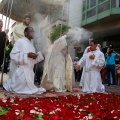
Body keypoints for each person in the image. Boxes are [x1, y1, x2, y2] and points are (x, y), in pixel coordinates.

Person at [3, 27, 46, 94]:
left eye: (33, 31)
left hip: (30, 74)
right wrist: (27, 55)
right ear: (25, 33)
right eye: (31, 31)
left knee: (33, 90)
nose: (33, 33)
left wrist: (38, 56)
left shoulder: (31, 45)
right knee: (19, 90)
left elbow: (31, 62)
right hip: (22, 72)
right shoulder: (20, 41)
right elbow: (13, 55)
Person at [40, 25, 82, 92]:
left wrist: (67, 51)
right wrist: (66, 36)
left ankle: (59, 86)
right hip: (57, 61)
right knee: (58, 74)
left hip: (61, 60)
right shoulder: (56, 43)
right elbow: (60, 43)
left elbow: (65, 50)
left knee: (61, 74)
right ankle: (57, 87)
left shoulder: (60, 42)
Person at [9, 14, 31, 79]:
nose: (29, 21)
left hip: (27, 53)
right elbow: (16, 39)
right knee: (15, 69)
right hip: (19, 51)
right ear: (23, 19)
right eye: (27, 19)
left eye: (30, 20)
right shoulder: (17, 27)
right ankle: (12, 82)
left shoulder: (30, 29)